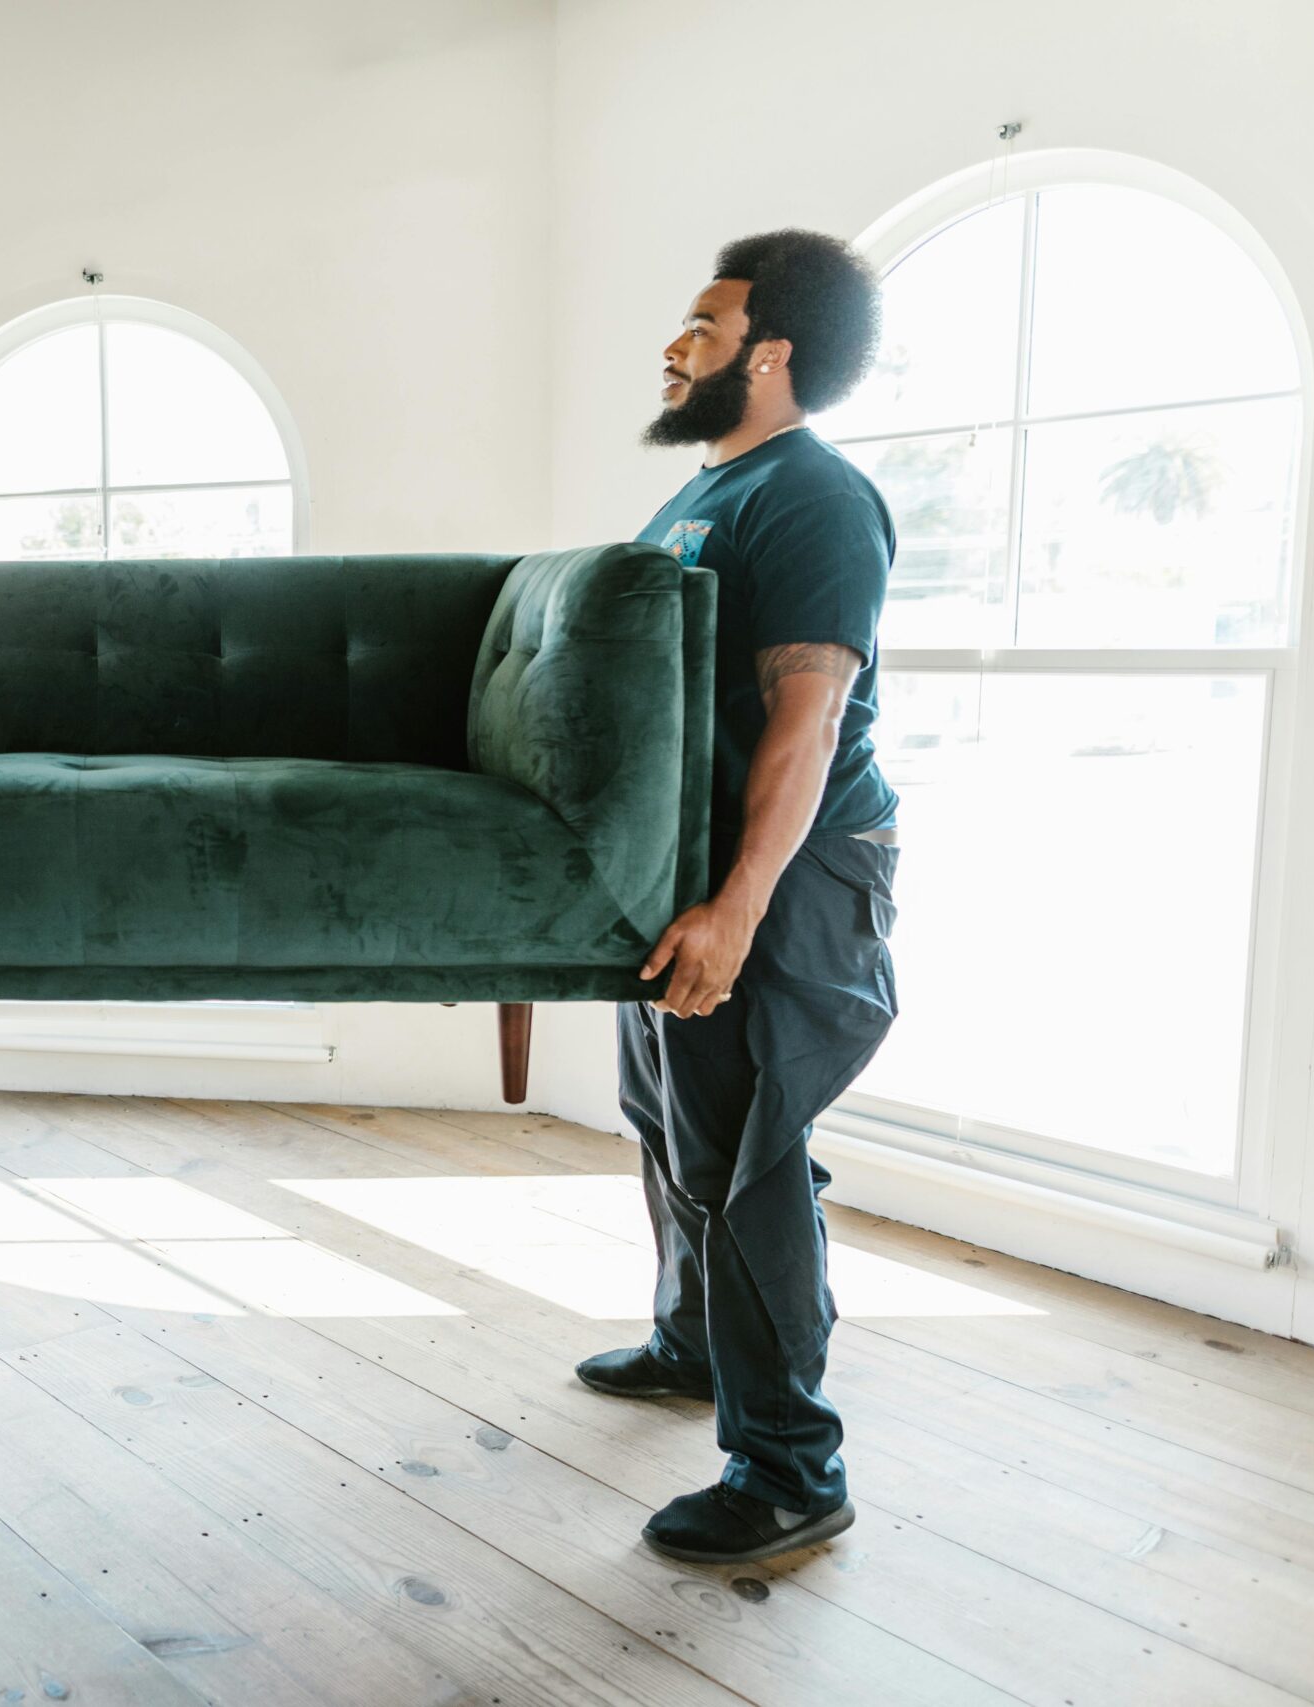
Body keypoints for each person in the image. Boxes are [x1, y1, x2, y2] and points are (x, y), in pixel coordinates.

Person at [578, 230, 903, 1564]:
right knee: (667, 1119)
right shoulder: (708, 491)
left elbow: (806, 719)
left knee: (747, 1149)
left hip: (784, 870)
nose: (676, 343)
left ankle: (788, 1466)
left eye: (702, 325)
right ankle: (694, 1338)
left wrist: (738, 908)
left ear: (771, 351)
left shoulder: (814, 497)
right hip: (690, 863)